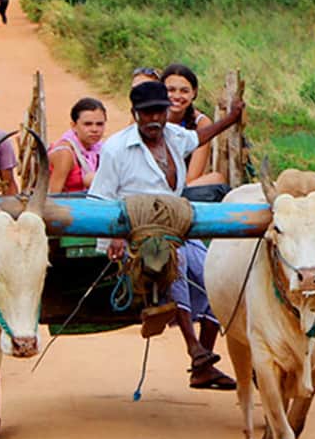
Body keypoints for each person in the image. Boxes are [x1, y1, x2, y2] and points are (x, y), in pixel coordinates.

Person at [89, 79, 246, 390]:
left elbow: (199, 137)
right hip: (142, 233)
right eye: (146, 114)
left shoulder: (174, 136)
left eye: (159, 112)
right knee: (177, 262)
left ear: (166, 112)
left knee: (216, 272)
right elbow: (101, 198)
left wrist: (230, 119)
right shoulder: (116, 149)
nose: (153, 120)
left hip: (178, 224)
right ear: (135, 114)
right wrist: (114, 237)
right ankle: (193, 349)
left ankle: (205, 362)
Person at [161, 63, 227, 191]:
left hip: (183, 186)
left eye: (184, 91)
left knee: (217, 179)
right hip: (148, 182)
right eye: (171, 90)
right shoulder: (147, 116)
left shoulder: (201, 123)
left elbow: (193, 176)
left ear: (194, 93)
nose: (177, 96)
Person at [48, 97, 106, 194]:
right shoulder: (65, 154)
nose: (94, 129)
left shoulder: (101, 149)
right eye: (88, 124)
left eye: (99, 124)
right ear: (73, 126)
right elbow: (52, 196)